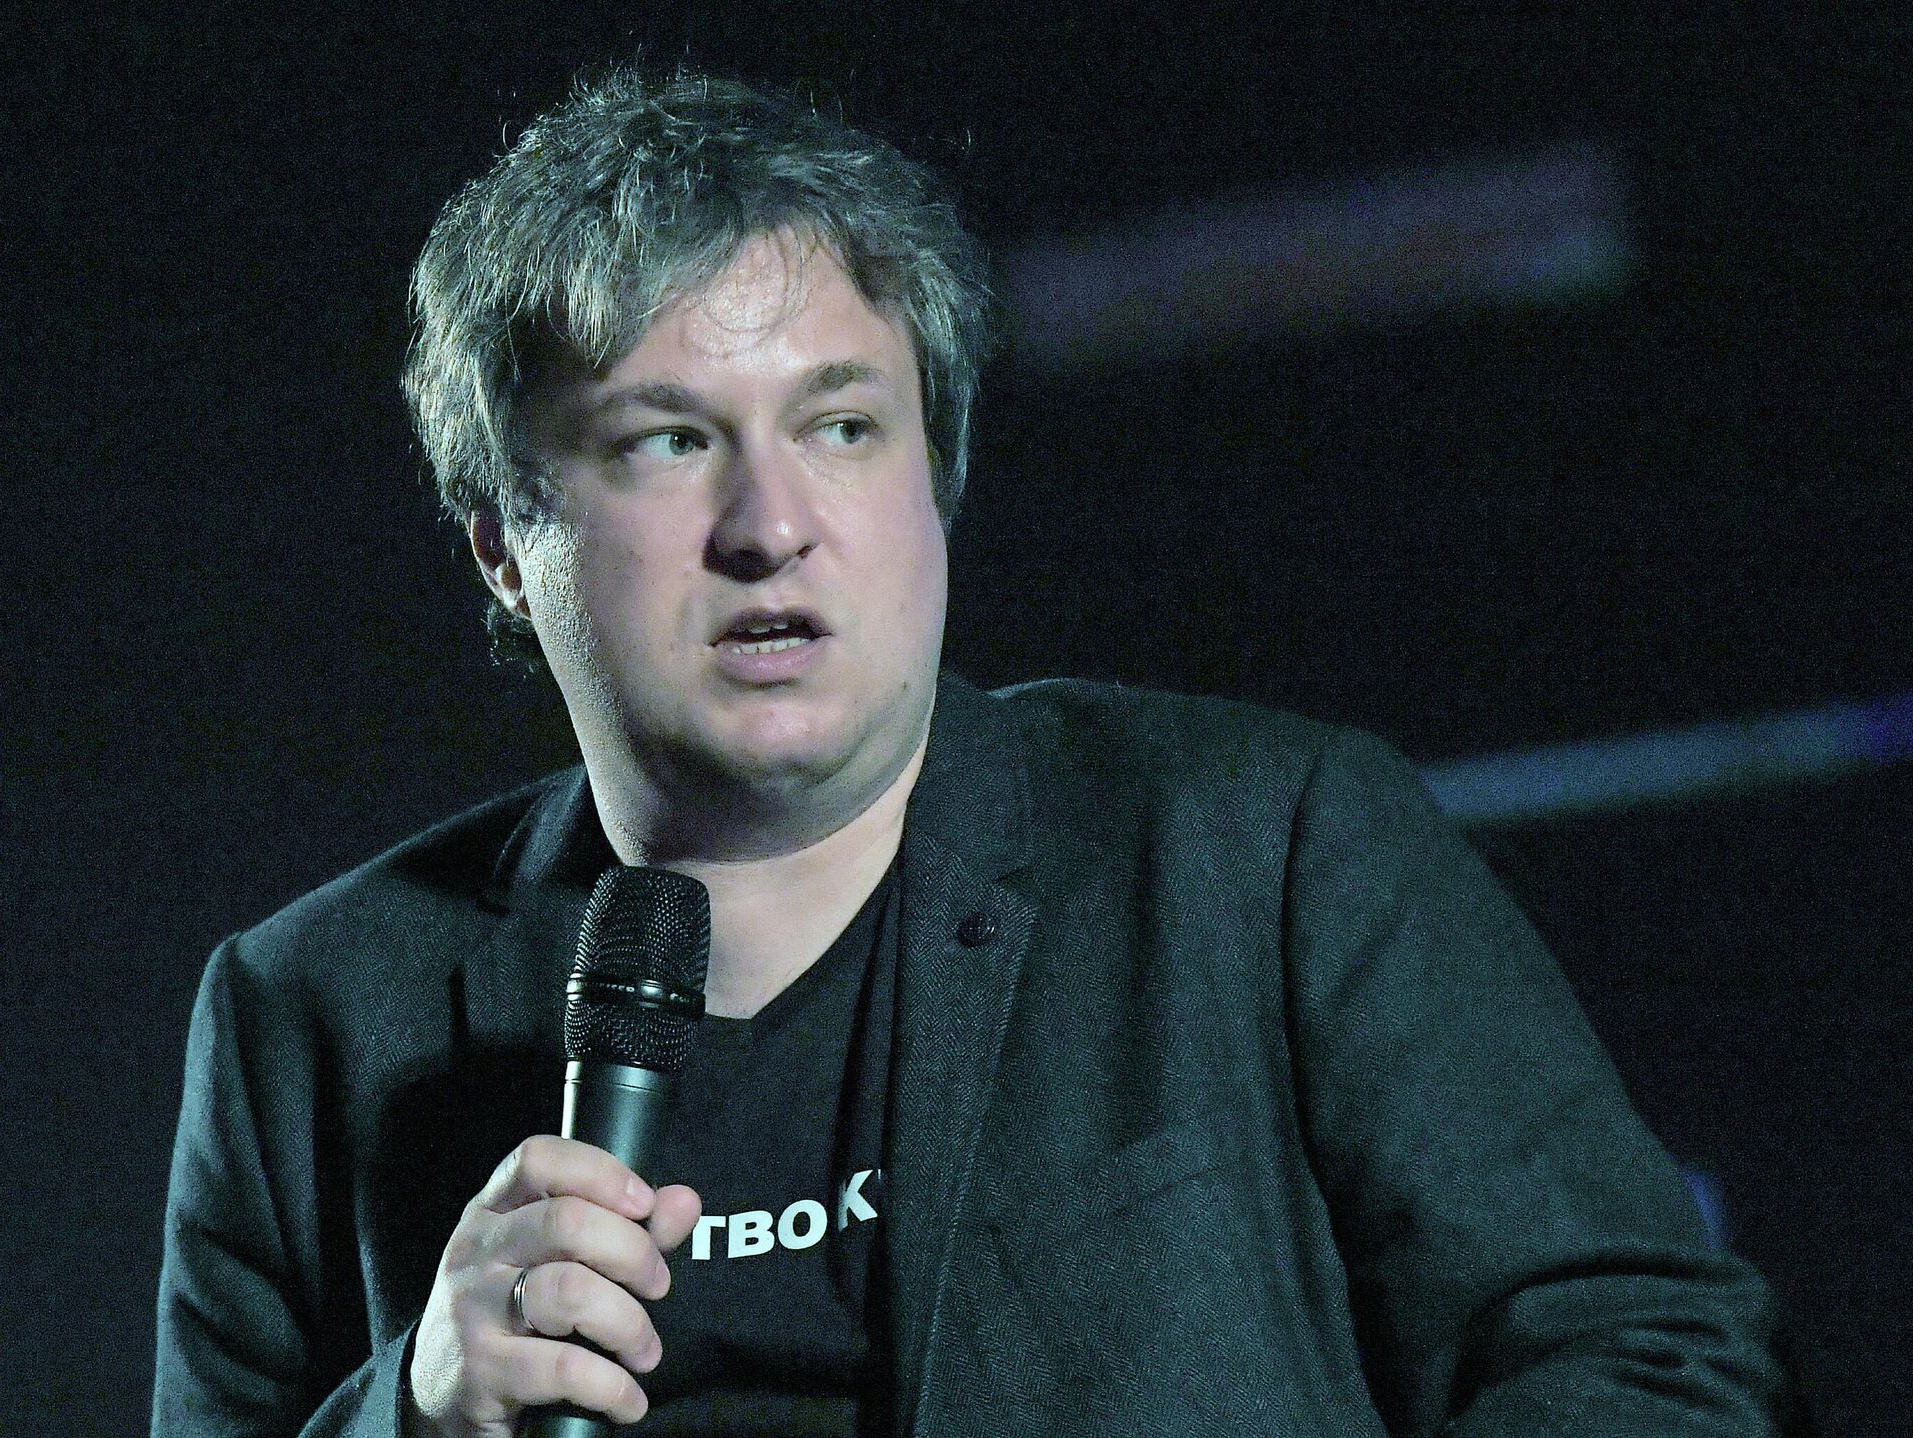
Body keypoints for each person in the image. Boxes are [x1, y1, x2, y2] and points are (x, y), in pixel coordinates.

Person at [155, 67, 1808, 1438]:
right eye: (666, 440)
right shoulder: (311, 1016)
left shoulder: (1256, 848)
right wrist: (411, 1412)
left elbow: (1661, 1367)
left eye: (841, 424)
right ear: (504, 546)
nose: (771, 523)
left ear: (934, 470)